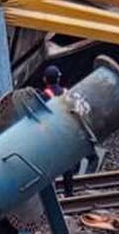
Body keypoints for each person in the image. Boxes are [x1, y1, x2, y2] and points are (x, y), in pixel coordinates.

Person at [41, 65, 77, 195]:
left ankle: (53, 194)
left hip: (52, 133)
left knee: (51, 163)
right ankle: (69, 192)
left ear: (45, 79)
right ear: (59, 78)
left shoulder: (45, 95)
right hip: (66, 131)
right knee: (67, 164)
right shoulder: (67, 92)